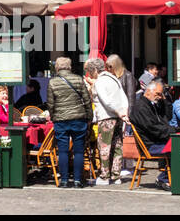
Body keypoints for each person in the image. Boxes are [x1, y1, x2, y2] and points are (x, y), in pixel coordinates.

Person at [48, 57, 93, 188]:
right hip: (79, 118)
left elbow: (50, 103)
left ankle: (64, 180)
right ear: (70, 67)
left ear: (57, 67)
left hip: (61, 120)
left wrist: (53, 116)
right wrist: (89, 117)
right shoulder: (78, 79)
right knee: (79, 151)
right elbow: (87, 100)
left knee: (62, 151)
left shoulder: (53, 82)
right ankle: (78, 180)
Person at [129, 79, 175, 188]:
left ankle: (170, 177)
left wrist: (164, 101)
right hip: (151, 144)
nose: (159, 96)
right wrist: (176, 130)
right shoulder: (141, 107)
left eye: (161, 94)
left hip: (156, 140)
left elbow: (166, 119)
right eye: (158, 94)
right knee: (177, 147)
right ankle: (163, 178)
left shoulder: (152, 104)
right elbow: (154, 129)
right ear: (148, 91)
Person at [91, 57, 128, 186]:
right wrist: (124, 112)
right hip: (118, 118)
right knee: (117, 146)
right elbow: (124, 98)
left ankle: (105, 176)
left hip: (106, 117)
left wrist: (117, 111)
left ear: (95, 70)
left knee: (104, 147)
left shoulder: (100, 82)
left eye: (91, 72)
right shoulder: (114, 79)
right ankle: (116, 175)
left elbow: (106, 101)